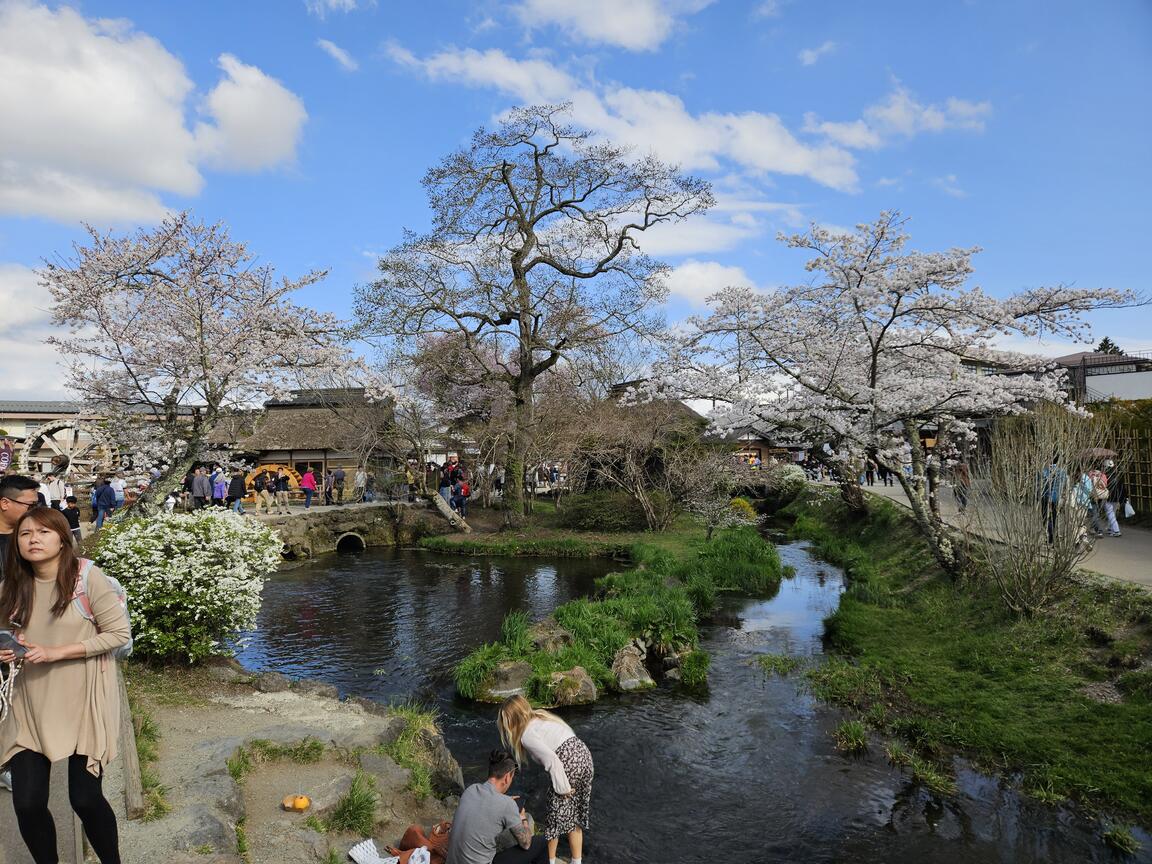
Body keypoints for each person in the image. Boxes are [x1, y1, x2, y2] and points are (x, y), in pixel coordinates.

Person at [0, 507, 130, 864]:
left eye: (44, 532)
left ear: (62, 539)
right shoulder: (10, 586)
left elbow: (118, 634)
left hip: (84, 699)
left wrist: (57, 652)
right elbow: (8, 636)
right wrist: (7, 651)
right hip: (30, 703)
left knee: (85, 799)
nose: (34, 539)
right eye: (25, 534)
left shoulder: (86, 578)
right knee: (26, 803)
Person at [497, 696, 593, 864]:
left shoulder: (527, 734)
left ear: (512, 720)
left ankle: (549, 861)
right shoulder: (541, 716)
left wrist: (563, 788)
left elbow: (552, 761)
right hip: (583, 755)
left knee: (553, 821)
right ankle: (576, 861)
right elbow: (569, 737)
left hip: (567, 762)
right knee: (574, 815)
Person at [445, 749, 547, 864]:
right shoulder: (507, 805)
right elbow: (526, 844)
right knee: (543, 842)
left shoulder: (471, 789)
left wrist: (506, 802)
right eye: (512, 778)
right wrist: (523, 818)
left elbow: (485, 806)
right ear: (507, 777)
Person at [0, 474, 40, 576]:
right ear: (5, 504)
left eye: (37, 505)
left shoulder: (38, 535)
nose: (35, 510)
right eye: (31, 505)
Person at [1038, 455, 1067, 544]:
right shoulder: (1063, 472)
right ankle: (1053, 536)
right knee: (1054, 517)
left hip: (1046, 497)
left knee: (1045, 518)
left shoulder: (1044, 472)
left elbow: (1040, 485)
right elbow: (1064, 485)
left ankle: (1050, 535)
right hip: (1057, 498)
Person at [1102, 459, 1126, 538]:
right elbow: (1122, 488)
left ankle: (1116, 530)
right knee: (1112, 514)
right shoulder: (1118, 476)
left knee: (1110, 514)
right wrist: (1124, 498)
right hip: (1117, 498)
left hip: (1108, 497)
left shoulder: (1105, 477)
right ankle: (1110, 528)